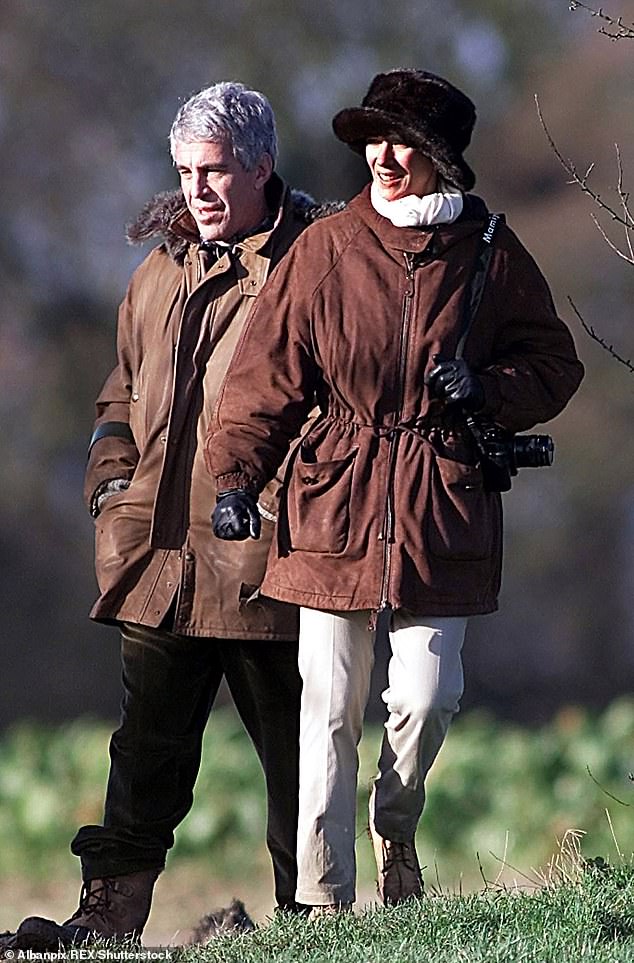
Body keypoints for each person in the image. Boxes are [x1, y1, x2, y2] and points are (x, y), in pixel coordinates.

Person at [206, 69, 585, 915]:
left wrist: (487, 388)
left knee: (427, 696)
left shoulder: (491, 251)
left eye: (400, 141)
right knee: (328, 711)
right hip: (331, 498)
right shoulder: (326, 246)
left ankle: (396, 824)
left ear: (441, 158)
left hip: (441, 502)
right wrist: (236, 475)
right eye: (372, 139)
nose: (381, 156)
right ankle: (323, 901)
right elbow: (265, 377)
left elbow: (557, 365)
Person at [22, 81, 328, 945]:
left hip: (270, 559)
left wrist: (287, 504)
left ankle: (310, 922)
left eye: (217, 170)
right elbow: (117, 392)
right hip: (157, 558)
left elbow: (338, 405)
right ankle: (110, 917)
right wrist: (111, 489)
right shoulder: (158, 267)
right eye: (186, 171)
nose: (198, 190)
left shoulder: (316, 265)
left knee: (300, 758)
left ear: (262, 167)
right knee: (144, 751)